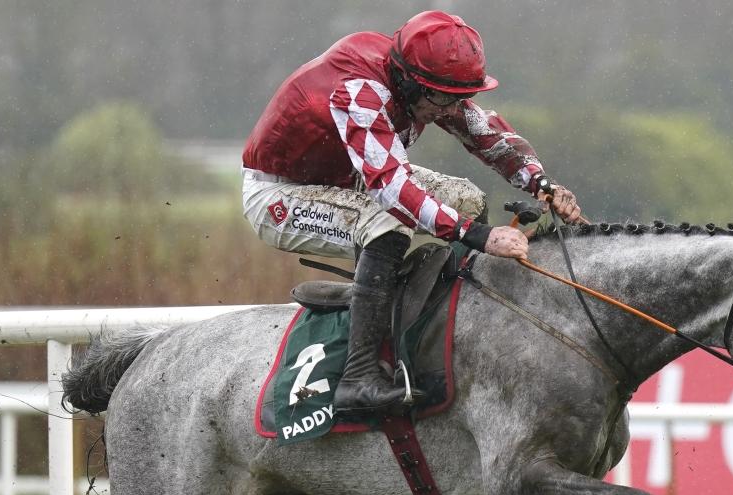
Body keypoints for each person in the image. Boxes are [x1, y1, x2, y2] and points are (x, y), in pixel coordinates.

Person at [242, 10, 584, 417]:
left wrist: (542, 184)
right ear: (409, 82)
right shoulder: (359, 90)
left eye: (459, 98)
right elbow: (390, 188)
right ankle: (358, 377)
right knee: (386, 223)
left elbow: (487, 136)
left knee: (467, 198)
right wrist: (477, 235)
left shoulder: (425, 85)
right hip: (281, 194)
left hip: (351, 175)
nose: (450, 110)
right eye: (443, 99)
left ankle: (453, 322)